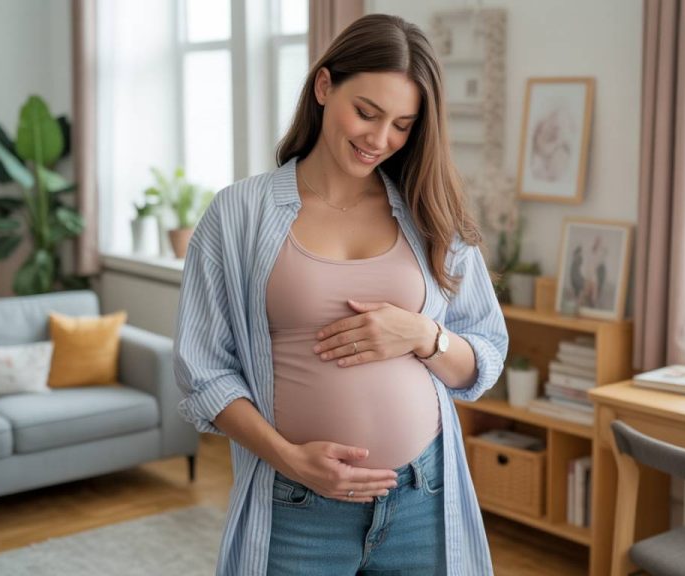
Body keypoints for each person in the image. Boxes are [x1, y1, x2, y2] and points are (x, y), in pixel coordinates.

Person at [174, 13, 508, 576]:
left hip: (422, 496)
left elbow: (485, 355)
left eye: (402, 124)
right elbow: (204, 371)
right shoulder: (239, 214)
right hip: (296, 506)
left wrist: (423, 335)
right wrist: (291, 461)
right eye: (367, 113)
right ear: (324, 87)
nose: (380, 140)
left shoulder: (432, 213)